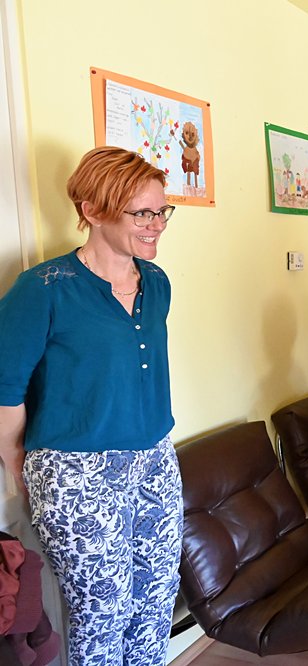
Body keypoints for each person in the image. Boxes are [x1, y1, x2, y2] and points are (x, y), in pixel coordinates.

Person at [0, 147, 181, 664]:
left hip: (155, 460)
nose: (156, 225)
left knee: (155, 603)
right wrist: (17, 461)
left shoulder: (157, 283)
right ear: (93, 210)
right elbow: (6, 386)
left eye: (162, 211)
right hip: (77, 470)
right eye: (141, 213)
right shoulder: (43, 288)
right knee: (104, 613)